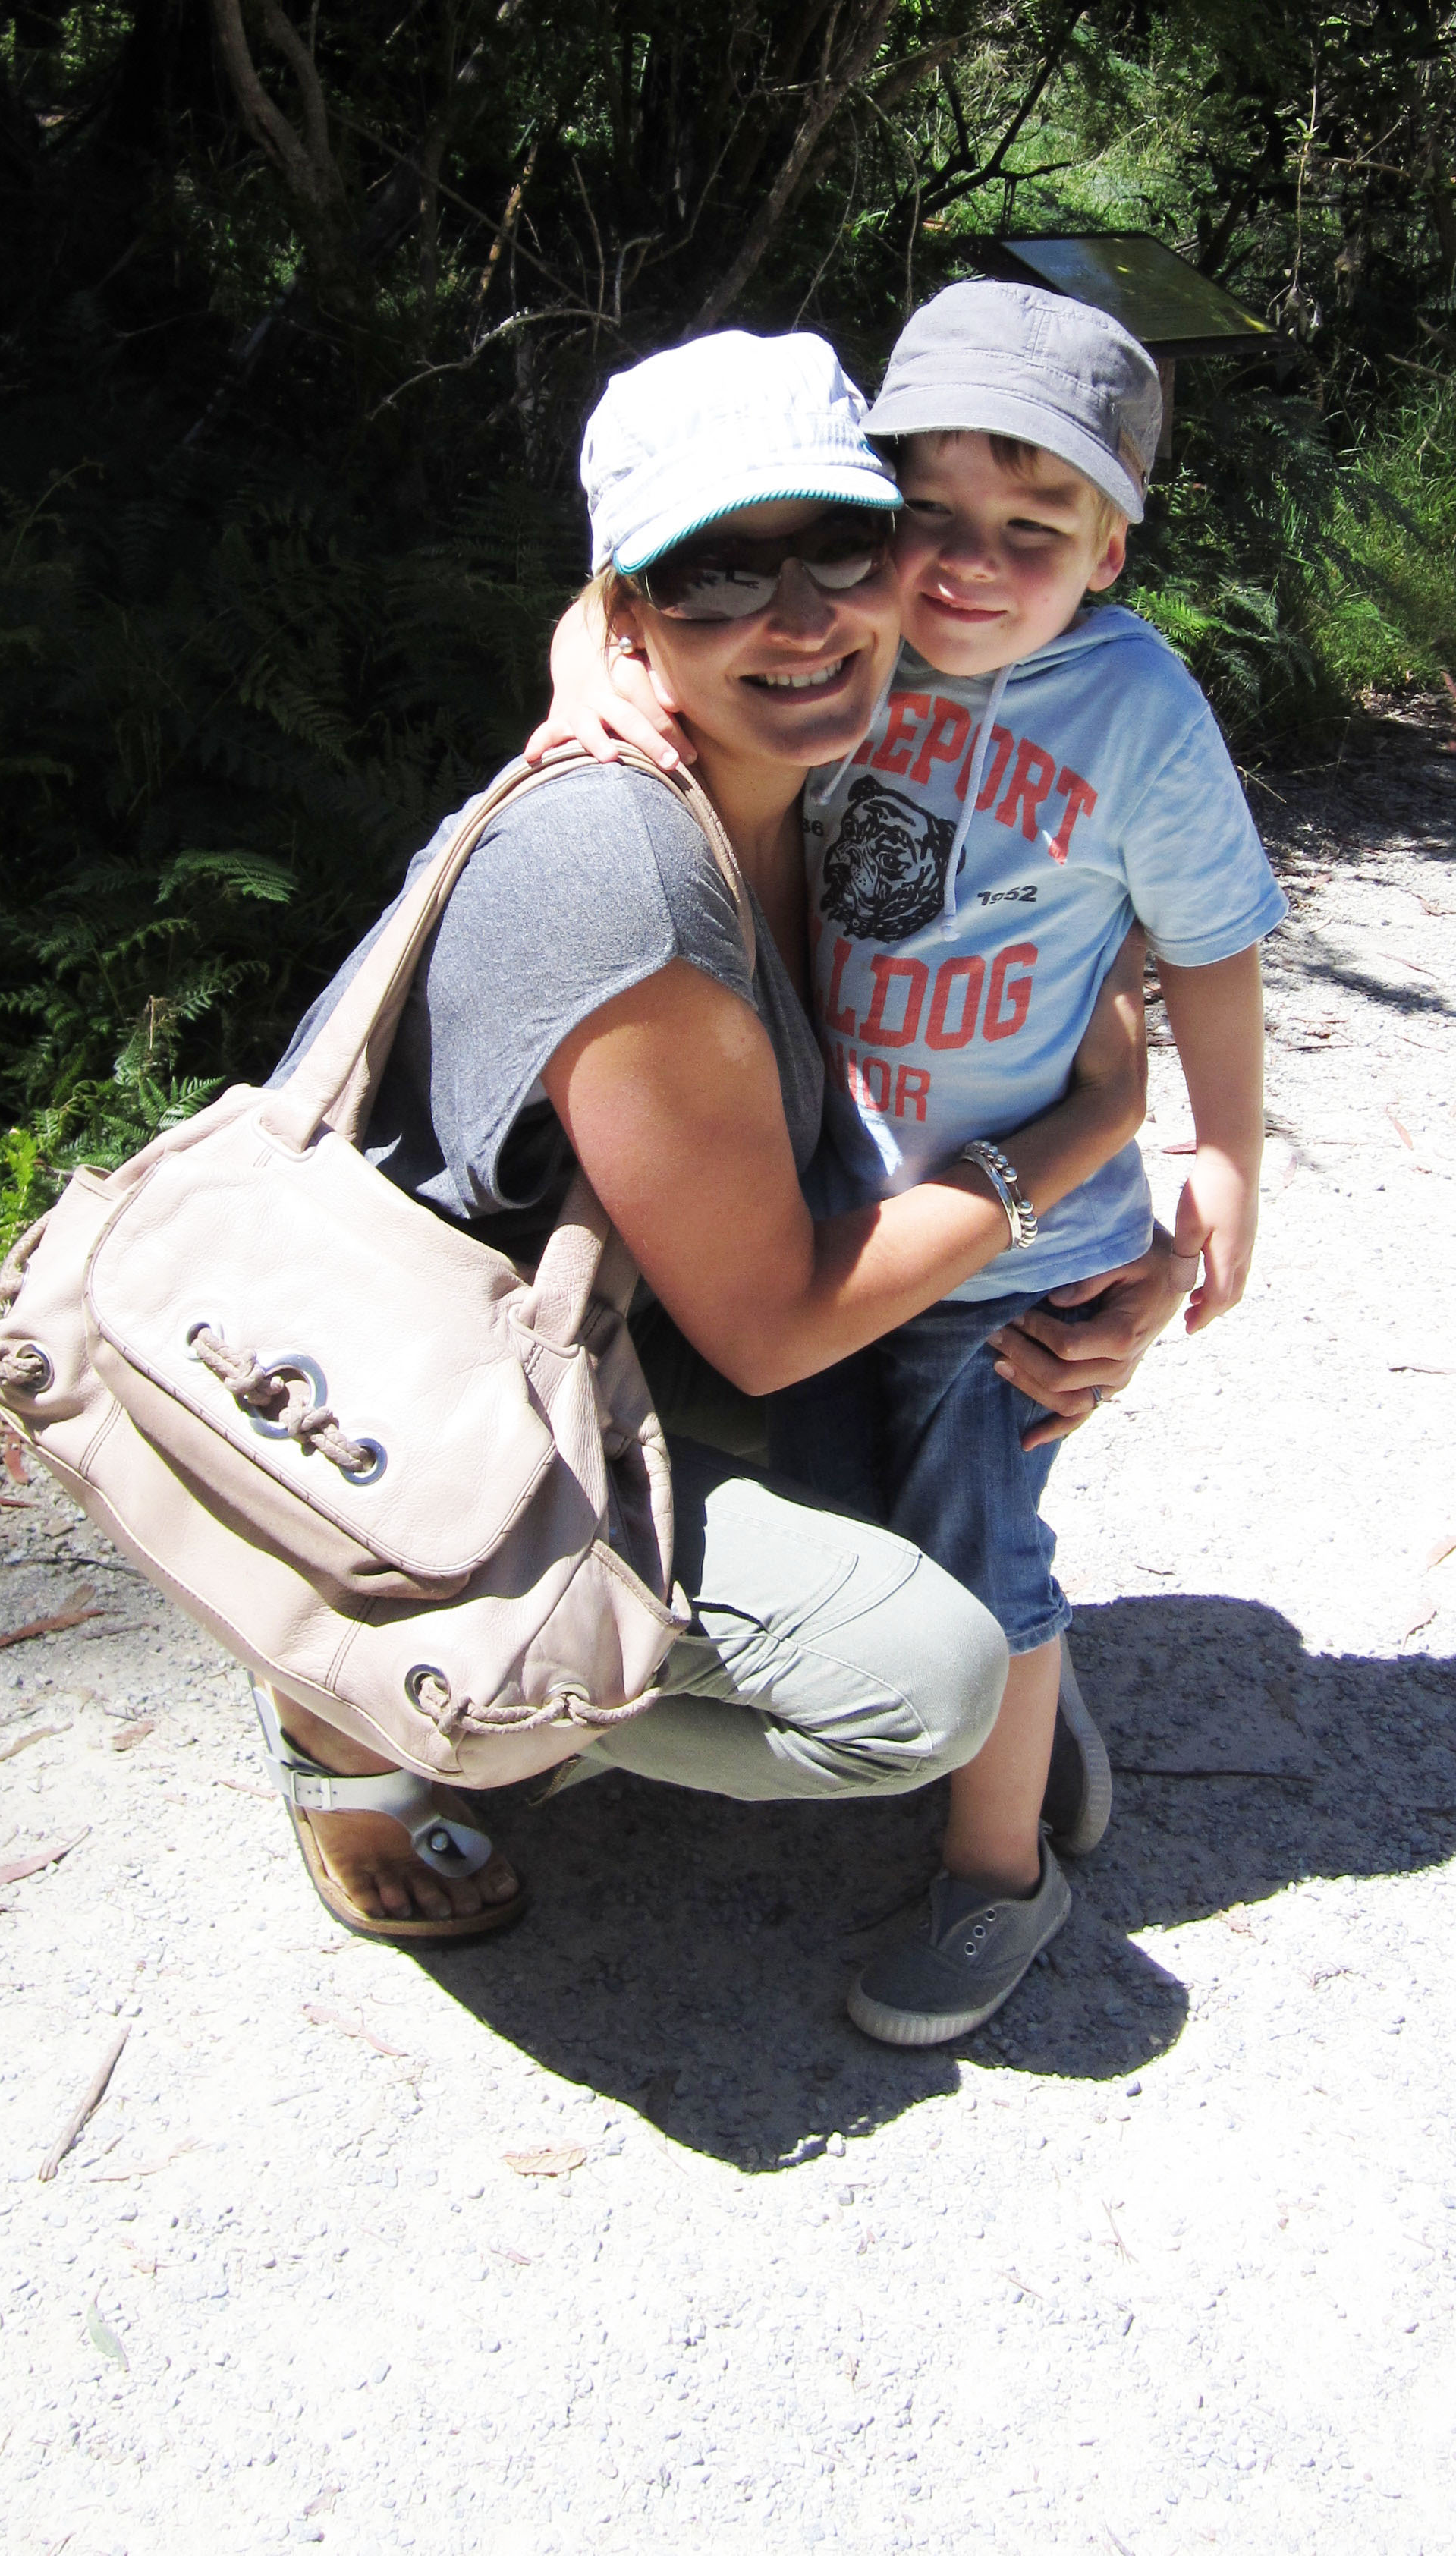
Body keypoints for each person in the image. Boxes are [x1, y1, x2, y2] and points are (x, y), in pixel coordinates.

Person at [251, 326, 1194, 1985]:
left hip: (630, 1320)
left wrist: (1147, 1260)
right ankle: (361, 1683)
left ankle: (946, 1638)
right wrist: (1086, 1139)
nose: (802, 612)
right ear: (633, 615)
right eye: (714, 574)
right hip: (415, 1398)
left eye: (840, 543)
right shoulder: (631, 869)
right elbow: (774, 1320)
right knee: (925, 1678)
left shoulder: (827, 773)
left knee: (959, 1410)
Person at [543, 281, 1283, 2044]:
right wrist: (588, 669)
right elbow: (623, 603)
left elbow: (1213, 944)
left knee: (978, 1545)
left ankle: (998, 1873)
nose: (968, 567)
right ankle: (1027, 1711)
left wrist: (1230, 1152)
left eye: (1035, 531)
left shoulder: (1137, 712)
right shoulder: (837, 651)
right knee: (881, 1500)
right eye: (929, 518)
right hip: (829, 1181)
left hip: (1010, 1247)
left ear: (1111, 550)